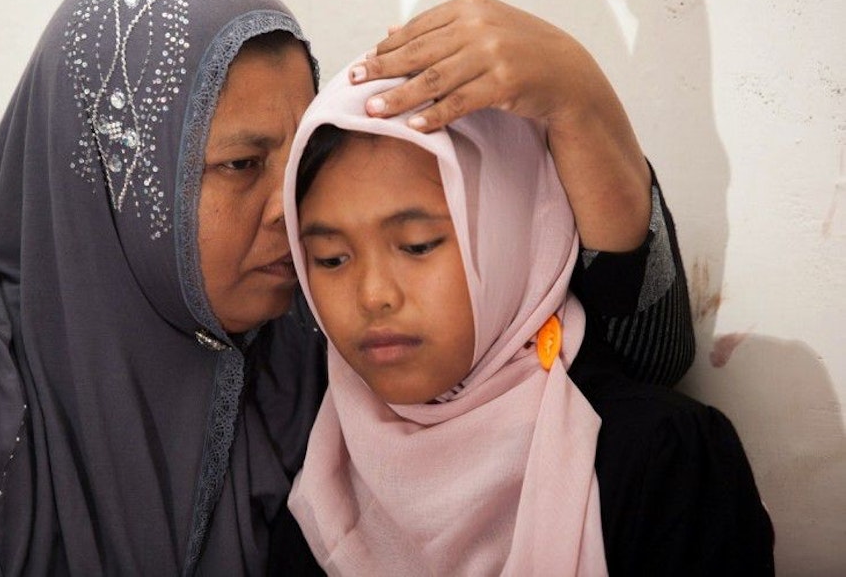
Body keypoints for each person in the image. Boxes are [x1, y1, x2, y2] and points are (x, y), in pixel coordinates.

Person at [0, 0, 691, 575]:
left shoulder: (302, 344)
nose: (289, 214)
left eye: (292, 172)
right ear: (116, 185)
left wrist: (580, 105)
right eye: (242, 165)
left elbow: (630, 369)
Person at [283, 60, 774, 575]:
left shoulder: (661, 458)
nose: (373, 295)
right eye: (331, 259)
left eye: (418, 245)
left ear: (513, 238)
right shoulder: (322, 486)